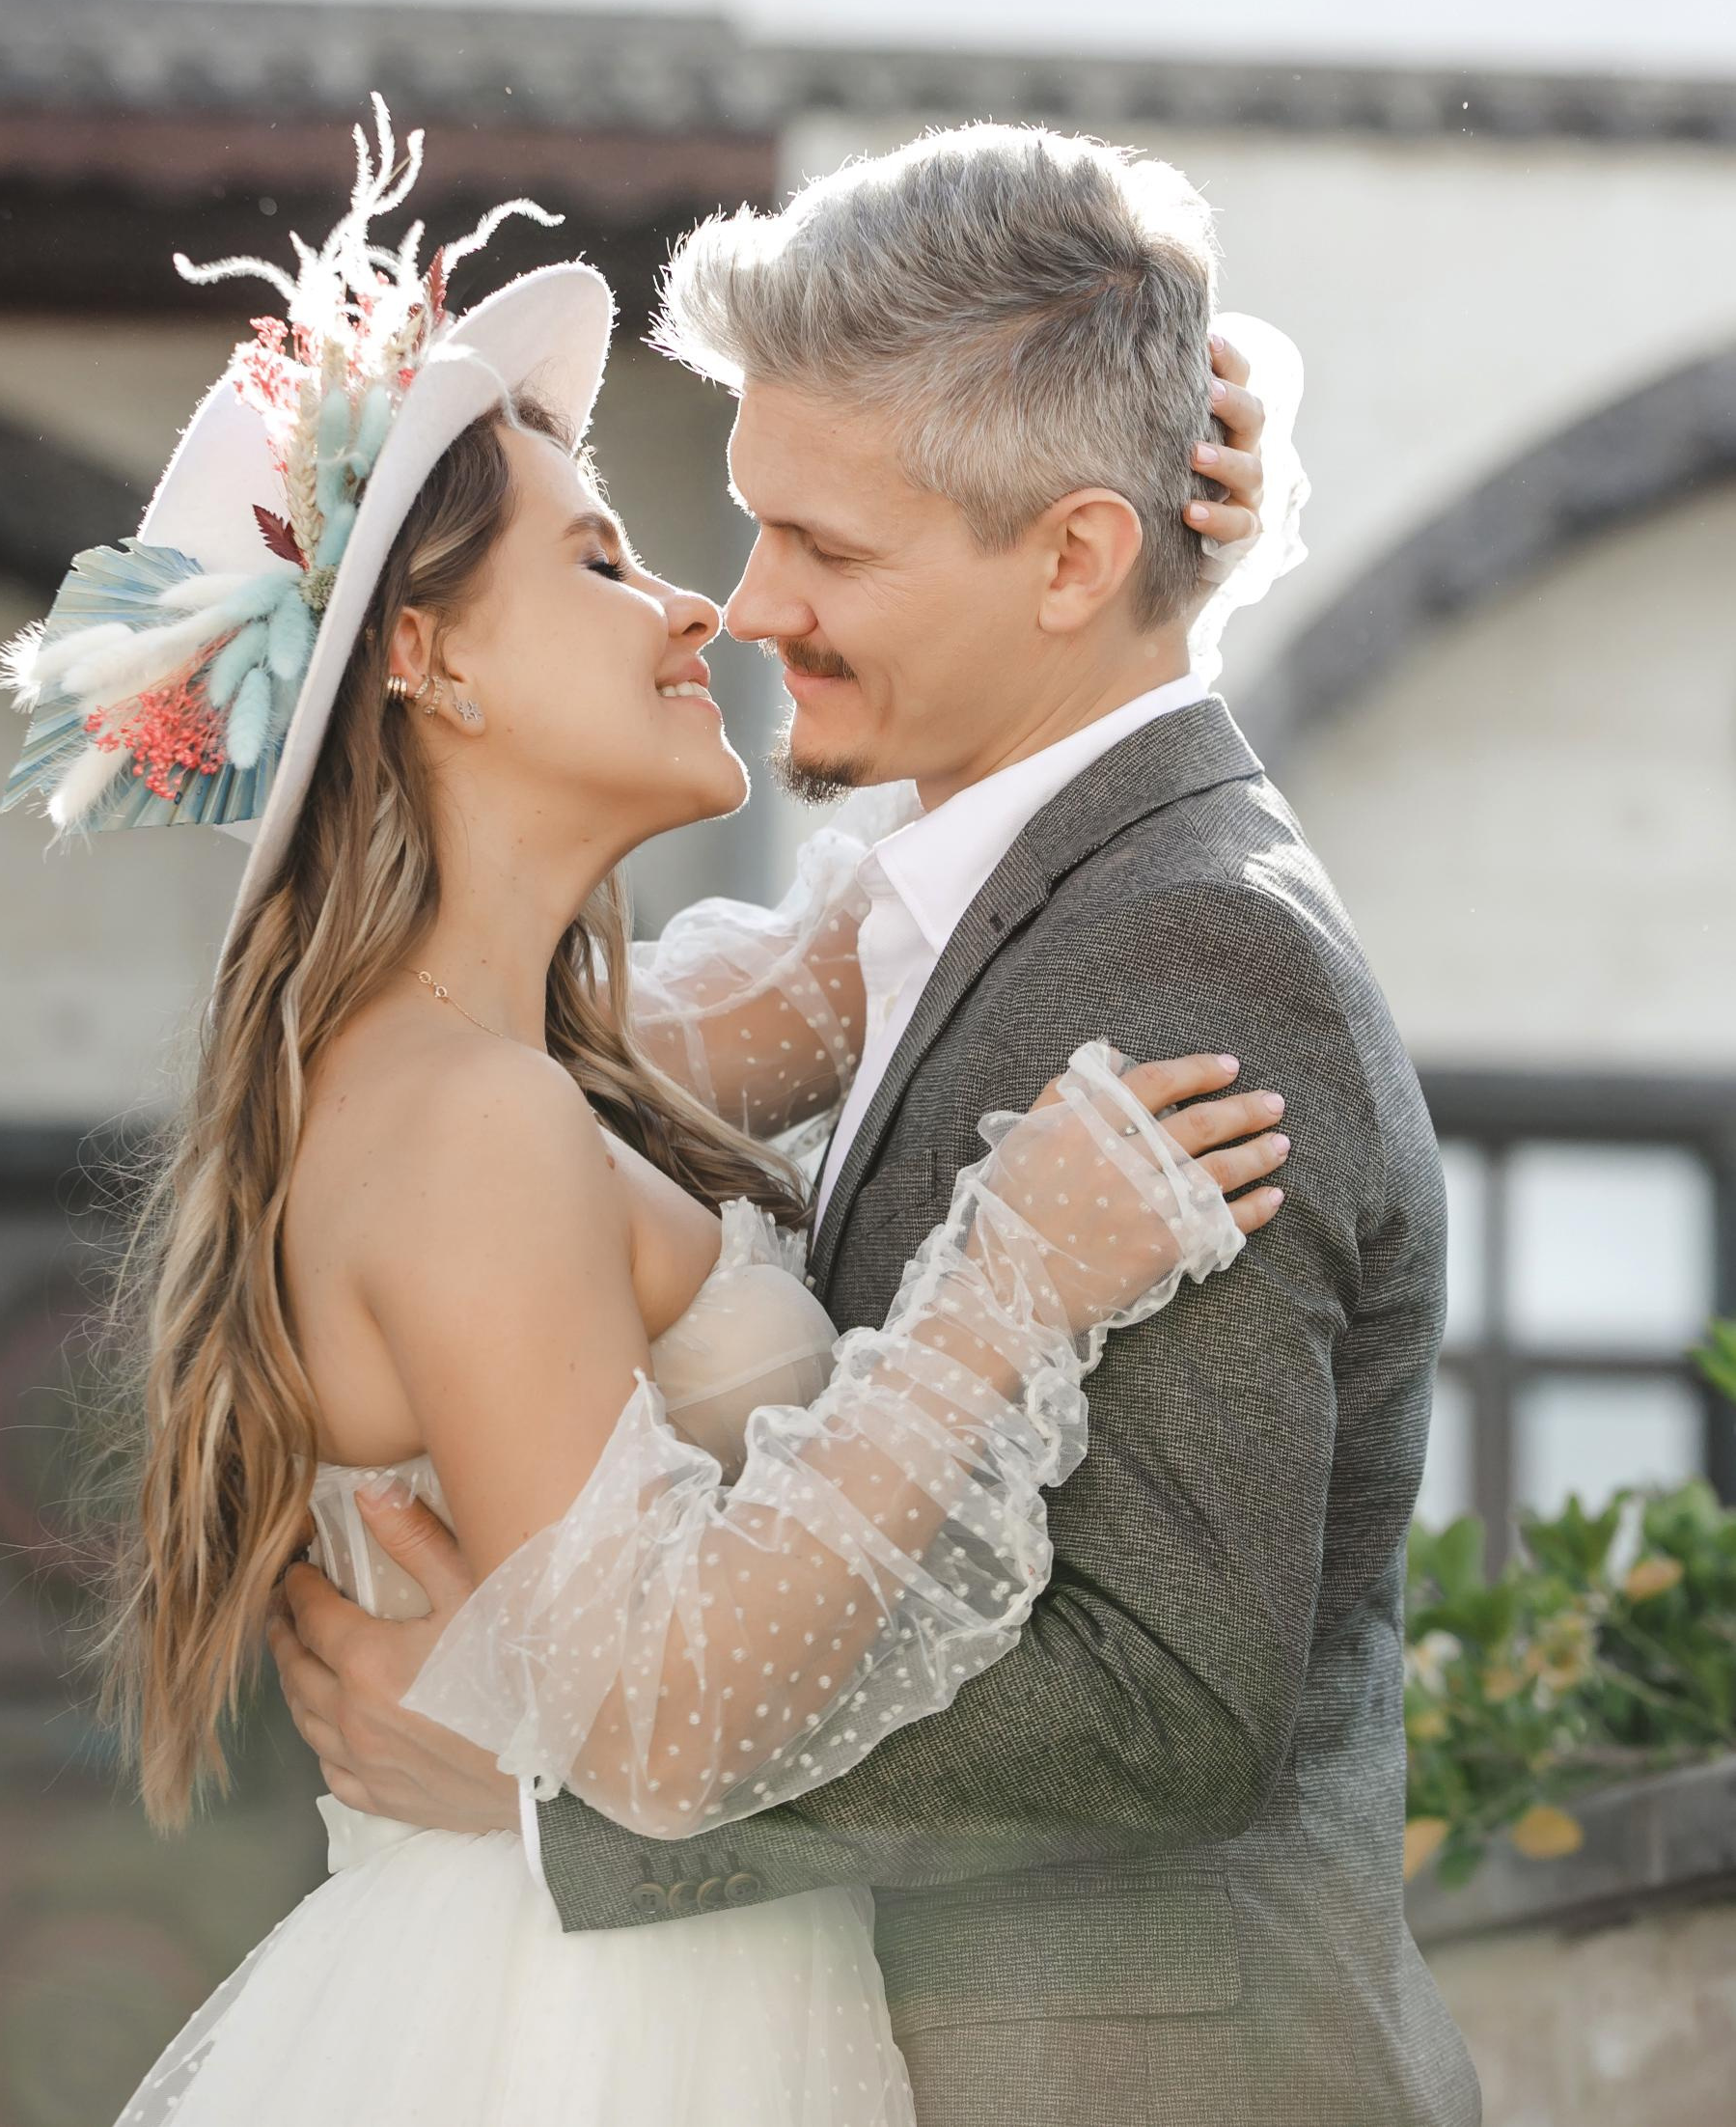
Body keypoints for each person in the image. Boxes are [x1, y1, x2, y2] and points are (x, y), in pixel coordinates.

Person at [0, 105, 1292, 2127]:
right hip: (593, 2045)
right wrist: (1001, 1297)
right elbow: (665, 1721)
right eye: (601, 557)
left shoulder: (514, 1070)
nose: (708, 609)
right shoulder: (468, 1123)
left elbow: (919, 909)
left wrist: (1126, 526)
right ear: (426, 661)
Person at [274, 124, 1482, 2127]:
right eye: (735, 530)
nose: (738, 609)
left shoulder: (1193, 961)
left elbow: (1165, 1707)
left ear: (1077, 552)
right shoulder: (886, 927)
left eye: (822, 549)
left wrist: (546, 1780)